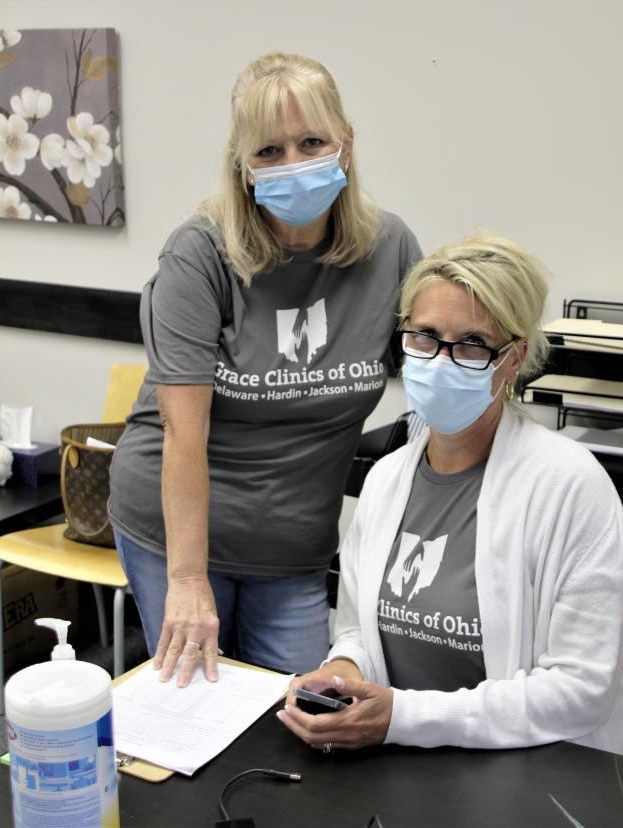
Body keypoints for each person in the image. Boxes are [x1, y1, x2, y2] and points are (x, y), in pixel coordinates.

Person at [109, 52, 421, 685]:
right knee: (196, 714)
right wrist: (188, 580)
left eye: (312, 142)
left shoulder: (390, 249)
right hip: (180, 535)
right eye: (269, 151)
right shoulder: (200, 254)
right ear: (242, 165)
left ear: (347, 145)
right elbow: (182, 432)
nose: (294, 163)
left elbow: (431, 371)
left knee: (303, 716)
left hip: (296, 545)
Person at [277, 233, 623, 758]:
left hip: (539, 766)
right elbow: (359, 632)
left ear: (513, 360)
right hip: (406, 759)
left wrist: (406, 718)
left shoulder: (570, 486)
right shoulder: (385, 481)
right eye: (424, 336)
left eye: (472, 344)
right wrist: (342, 673)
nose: (441, 360)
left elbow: (579, 692)